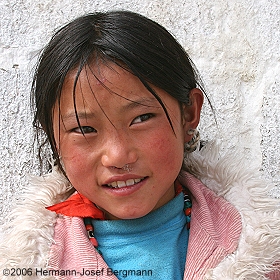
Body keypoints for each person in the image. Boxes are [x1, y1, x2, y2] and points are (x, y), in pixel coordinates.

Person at [0, 11, 279, 280]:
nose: (118, 156)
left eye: (141, 118)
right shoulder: (31, 265)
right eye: (84, 129)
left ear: (188, 114)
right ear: (53, 136)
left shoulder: (259, 249)